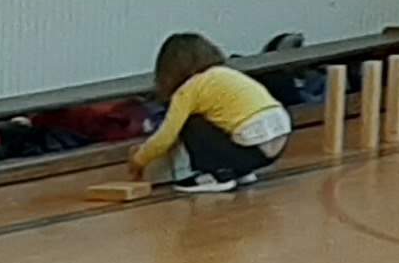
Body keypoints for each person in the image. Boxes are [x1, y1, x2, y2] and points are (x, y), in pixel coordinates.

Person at [125, 34, 291, 195]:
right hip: (279, 138)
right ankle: (241, 171)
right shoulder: (225, 74)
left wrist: (139, 160)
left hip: (253, 142)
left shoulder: (188, 90)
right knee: (225, 120)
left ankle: (219, 176)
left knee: (190, 123)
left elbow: (166, 137)